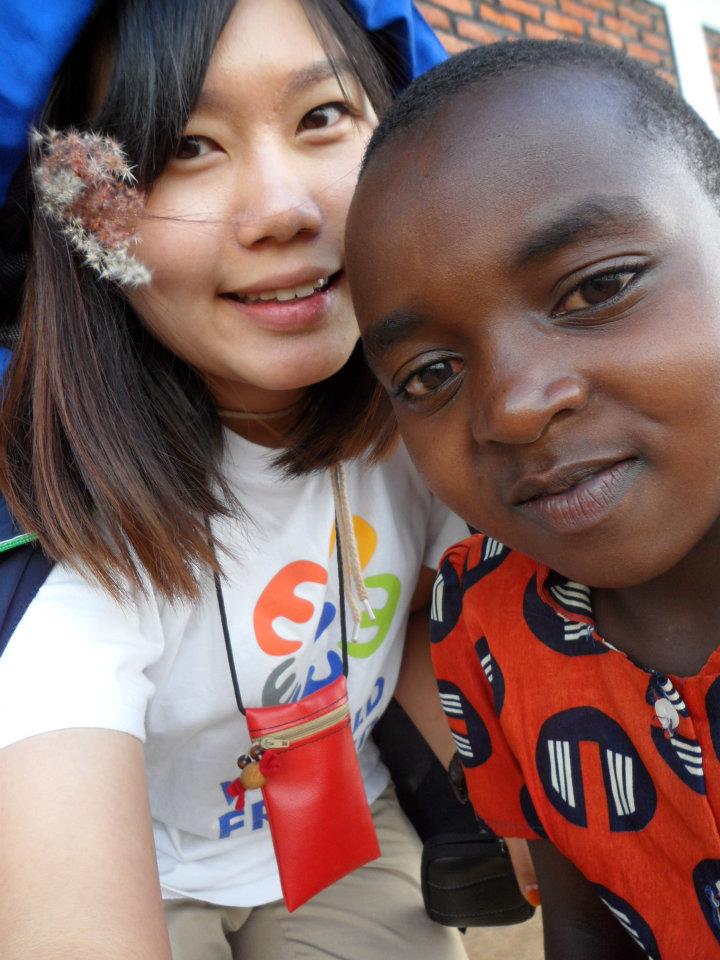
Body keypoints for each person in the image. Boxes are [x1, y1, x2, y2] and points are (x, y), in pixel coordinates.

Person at [0, 2, 475, 958]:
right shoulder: (61, 539)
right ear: (74, 215)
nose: (284, 209)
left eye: (322, 117)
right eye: (185, 146)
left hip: (346, 828)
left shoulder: (446, 410)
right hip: (148, 864)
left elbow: (448, 610)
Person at [345, 38, 720, 960]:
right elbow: (585, 921)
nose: (513, 407)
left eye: (598, 287)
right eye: (430, 372)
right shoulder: (482, 618)